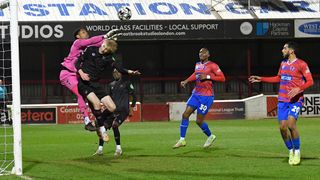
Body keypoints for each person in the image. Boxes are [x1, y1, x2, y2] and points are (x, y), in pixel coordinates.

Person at [249, 42, 313, 165]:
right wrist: (261, 78)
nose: (282, 50)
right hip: (282, 100)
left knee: (291, 124)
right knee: (282, 128)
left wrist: (298, 89)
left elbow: (310, 81)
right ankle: (290, 151)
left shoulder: (301, 64)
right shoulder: (283, 64)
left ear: (291, 50)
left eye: (284, 48)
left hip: (296, 100)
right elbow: (278, 78)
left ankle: (297, 152)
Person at [76, 39, 140, 142]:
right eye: (104, 46)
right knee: (97, 104)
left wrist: (130, 72)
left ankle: (97, 122)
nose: (104, 49)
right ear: (103, 43)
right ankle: (102, 131)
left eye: (107, 49)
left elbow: (118, 68)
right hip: (84, 84)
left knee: (112, 107)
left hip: (96, 84)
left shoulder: (108, 58)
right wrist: (81, 73)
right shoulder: (90, 49)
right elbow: (77, 62)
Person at [59, 27, 120, 131]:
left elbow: (101, 45)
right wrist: (105, 36)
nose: (86, 33)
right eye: (82, 32)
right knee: (80, 94)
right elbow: (92, 41)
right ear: (77, 36)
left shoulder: (88, 47)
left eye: (86, 32)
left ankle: (98, 121)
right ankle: (87, 121)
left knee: (92, 100)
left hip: (78, 75)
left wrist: (109, 40)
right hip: (68, 73)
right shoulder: (77, 43)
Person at [173, 48, 225, 149]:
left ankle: (210, 136)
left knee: (199, 121)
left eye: (204, 53)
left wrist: (208, 77)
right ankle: (182, 139)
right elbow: (195, 74)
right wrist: (186, 80)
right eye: (200, 53)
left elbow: (222, 78)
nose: (201, 54)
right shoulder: (198, 64)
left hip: (207, 96)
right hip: (196, 94)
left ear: (208, 54)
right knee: (185, 114)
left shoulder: (213, 65)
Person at [93, 69, 136, 156]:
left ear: (121, 73)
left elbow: (133, 96)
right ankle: (100, 149)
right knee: (102, 126)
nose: (115, 74)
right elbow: (108, 98)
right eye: (114, 72)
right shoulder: (111, 85)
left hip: (123, 110)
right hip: (113, 110)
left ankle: (118, 149)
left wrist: (131, 108)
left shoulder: (127, 83)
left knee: (115, 125)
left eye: (117, 72)